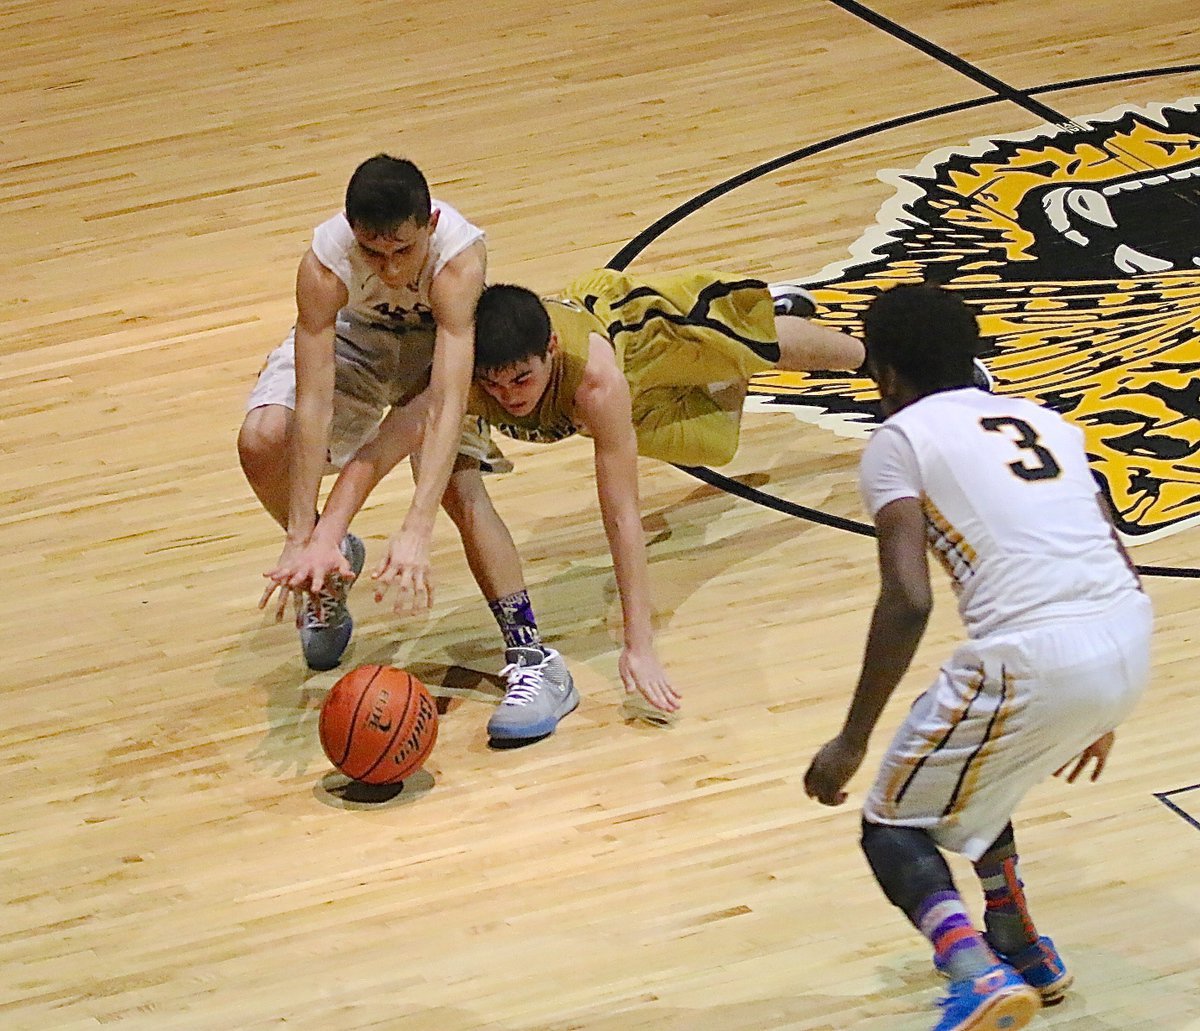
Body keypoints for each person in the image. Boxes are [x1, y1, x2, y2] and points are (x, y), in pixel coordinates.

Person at [802, 283, 1152, 1031]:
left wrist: (852, 739)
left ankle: (972, 971)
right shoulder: (1045, 422)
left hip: (1035, 654)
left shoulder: (899, 441)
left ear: (886, 375)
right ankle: (1020, 944)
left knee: (892, 824)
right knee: (974, 774)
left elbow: (909, 598)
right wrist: (1100, 697)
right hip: (1125, 633)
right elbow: (1110, 547)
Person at [238, 154, 576, 743]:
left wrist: (416, 527)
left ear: (429, 224)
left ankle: (534, 658)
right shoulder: (323, 265)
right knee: (264, 439)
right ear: (351, 233)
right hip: (357, 342)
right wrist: (301, 533)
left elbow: (445, 402)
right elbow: (314, 401)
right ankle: (330, 560)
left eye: (403, 251)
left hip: (435, 349)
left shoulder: (458, 260)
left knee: (457, 485)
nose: (389, 268)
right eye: (373, 253)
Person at [467, 267, 868, 715]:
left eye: (521, 380)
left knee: (753, 346)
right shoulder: (465, 378)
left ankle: (873, 357)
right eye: (493, 385)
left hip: (639, 336)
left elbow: (622, 515)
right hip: (623, 394)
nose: (507, 397)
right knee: (713, 447)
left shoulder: (596, 383)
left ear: (552, 349)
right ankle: (736, 355)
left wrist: (639, 645)